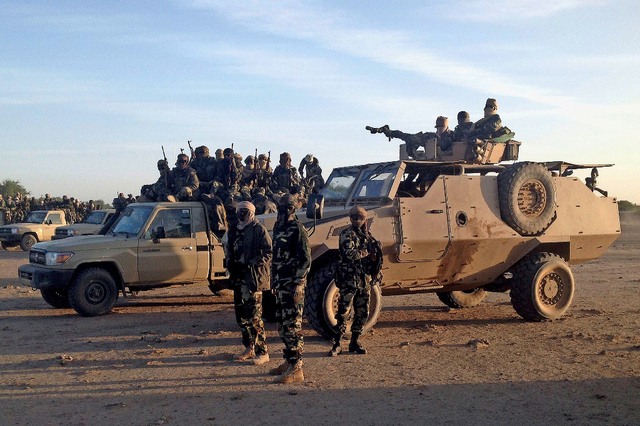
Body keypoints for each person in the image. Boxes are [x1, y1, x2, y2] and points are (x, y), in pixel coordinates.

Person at [329, 206, 382, 356]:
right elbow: (350, 254)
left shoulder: (367, 235)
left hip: (364, 280)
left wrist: (376, 265)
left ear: (364, 219)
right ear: (350, 218)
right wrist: (367, 252)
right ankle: (337, 343)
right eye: (354, 218)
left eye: (360, 218)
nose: (357, 221)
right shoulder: (347, 234)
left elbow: (375, 256)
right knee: (343, 312)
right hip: (349, 279)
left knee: (362, 311)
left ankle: (355, 342)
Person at [269, 194, 311, 383]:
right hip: (280, 284)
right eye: (282, 207)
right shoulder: (278, 228)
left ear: (294, 209)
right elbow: (275, 258)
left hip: (293, 285)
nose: (284, 211)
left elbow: (305, 260)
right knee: (282, 324)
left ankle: (297, 368)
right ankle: (288, 360)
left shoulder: (298, 229)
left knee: (293, 325)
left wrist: (298, 283)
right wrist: (273, 281)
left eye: (288, 207)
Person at [226, 201, 273, 365]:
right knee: (241, 317)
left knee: (255, 316)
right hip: (238, 278)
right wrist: (229, 263)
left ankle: (263, 351)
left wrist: (252, 263)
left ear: (251, 212)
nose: (241, 214)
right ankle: (249, 347)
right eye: (240, 210)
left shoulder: (258, 229)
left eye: (245, 211)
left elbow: (268, 252)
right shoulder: (234, 229)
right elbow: (229, 249)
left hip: (252, 279)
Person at [384, 116, 453, 158]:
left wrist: (440, 152)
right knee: (409, 137)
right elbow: (413, 137)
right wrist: (392, 133)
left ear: (447, 128)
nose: (439, 130)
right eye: (438, 128)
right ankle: (390, 132)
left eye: (442, 128)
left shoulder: (452, 136)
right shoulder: (431, 136)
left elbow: (453, 151)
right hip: (432, 159)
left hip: (446, 161)